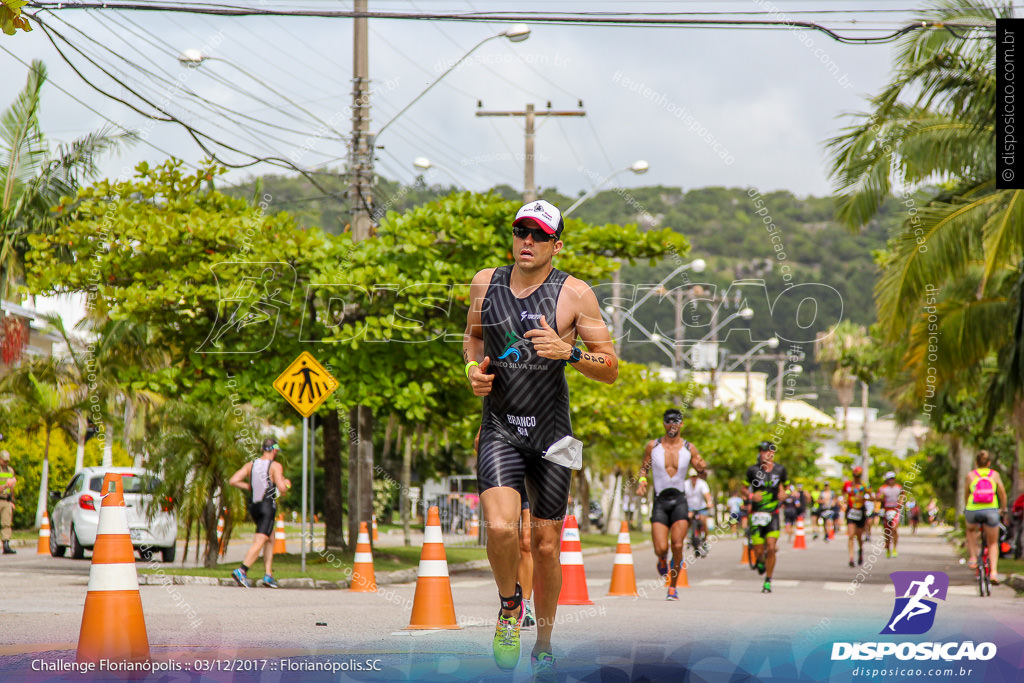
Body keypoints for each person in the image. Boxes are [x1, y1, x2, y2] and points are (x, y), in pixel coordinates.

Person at [464, 199, 617, 677]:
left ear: (556, 244)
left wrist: (569, 352)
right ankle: (511, 605)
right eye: (520, 232)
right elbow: (472, 337)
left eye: (538, 235)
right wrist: (472, 369)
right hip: (500, 428)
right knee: (502, 526)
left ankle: (545, 638)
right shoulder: (484, 283)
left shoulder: (576, 295)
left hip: (552, 437)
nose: (526, 241)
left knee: (548, 546)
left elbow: (610, 367)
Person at [636, 408, 707, 601]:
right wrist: (642, 483)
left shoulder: (689, 448)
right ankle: (661, 559)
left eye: (676, 421)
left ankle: (672, 587)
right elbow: (644, 469)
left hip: (679, 502)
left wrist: (702, 469)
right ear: (664, 424)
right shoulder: (653, 446)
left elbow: (702, 473)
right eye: (669, 421)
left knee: (677, 545)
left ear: (681, 424)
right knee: (661, 548)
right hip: (660, 501)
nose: (672, 425)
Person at [228, 438, 291, 589]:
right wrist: (287, 483)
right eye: (276, 451)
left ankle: (268, 575)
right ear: (274, 450)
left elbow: (233, 480)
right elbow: (282, 489)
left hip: (254, 507)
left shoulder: (251, 465)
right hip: (267, 507)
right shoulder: (275, 466)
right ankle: (242, 570)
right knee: (260, 540)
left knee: (270, 538)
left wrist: (249, 486)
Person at [746, 441, 788, 594]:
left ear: (772, 453)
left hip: (773, 515)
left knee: (771, 547)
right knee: (759, 551)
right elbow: (744, 489)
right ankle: (760, 560)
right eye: (761, 451)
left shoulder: (780, 470)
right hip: (757, 515)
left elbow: (786, 487)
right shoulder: (753, 470)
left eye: (766, 451)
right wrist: (751, 495)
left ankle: (768, 581)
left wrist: (784, 494)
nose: (763, 454)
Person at [964, 450, 1007, 584]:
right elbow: (1002, 493)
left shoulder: (970, 475)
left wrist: (967, 508)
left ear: (976, 463)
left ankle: (972, 557)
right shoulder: (995, 475)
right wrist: (1003, 509)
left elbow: (966, 493)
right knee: (993, 542)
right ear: (989, 463)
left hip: (973, 509)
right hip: (991, 510)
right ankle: (993, 572)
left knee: (971, 530)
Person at [843, 466, 871, 567]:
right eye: (855, 475)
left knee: (859, 535)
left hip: (860, 511)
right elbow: (844, 493)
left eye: (858, 476)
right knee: (851, 535)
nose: (856, 477)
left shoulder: (864, 485)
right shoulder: (847, 484)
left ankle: (860, 549)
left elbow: (871, 495)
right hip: (851, 511)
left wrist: (865, 499)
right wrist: (845, 500)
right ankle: (851, 557)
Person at [683, 467, 712, 557]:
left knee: (703, 520)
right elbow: (682, 497)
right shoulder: (685, 484)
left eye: (695, 476)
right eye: (692, 476)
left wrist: (709, 503)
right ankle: (687, 539)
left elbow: (707, 495)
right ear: (689, 477)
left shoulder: (702, 484)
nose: (694, 478)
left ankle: (705, 539)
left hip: (701, 508)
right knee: (687, 521)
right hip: (690, 509)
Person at [877, 471, 903, 558]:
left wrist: (900, 502)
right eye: (889, 479)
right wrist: (881, 497)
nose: (891, 480)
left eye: (892, 478)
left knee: (894, 529)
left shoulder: (898, 487)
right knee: (887, 531)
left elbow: (903, 496)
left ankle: (895, 548)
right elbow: (878, 498)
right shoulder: (883, 489)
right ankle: (887, 547)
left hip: (895, 511)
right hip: (886, 510)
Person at [0, 451, 16, 554]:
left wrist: (12, 501)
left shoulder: (10, 470)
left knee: (6, 523)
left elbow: (12, 489)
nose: (6, 463)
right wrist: (6, 485)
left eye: (7, 461)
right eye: (4, 461)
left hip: (6, 500)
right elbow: (6, 485)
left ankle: (6, 544)